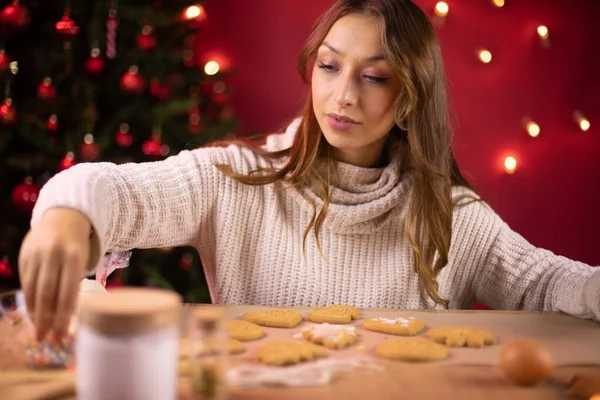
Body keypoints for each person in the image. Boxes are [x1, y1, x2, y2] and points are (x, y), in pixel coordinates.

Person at [18, 0, 599, 339]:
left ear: (410, 98)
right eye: (329, 66)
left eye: (373, 77)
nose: (342, 95)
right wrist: (67, 216)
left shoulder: (448, 216)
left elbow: (547, 283)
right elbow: (115, 192)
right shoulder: (239, 178)